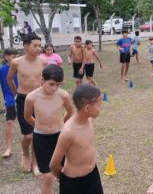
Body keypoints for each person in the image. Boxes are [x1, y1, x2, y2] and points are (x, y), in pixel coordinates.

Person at [24, 65, 73, 194]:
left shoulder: (63, 95)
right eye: (51, 84)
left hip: (60, 136)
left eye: (58, 84)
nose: (54, 88)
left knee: (64, 172)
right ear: (42, 80)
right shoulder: (31, 97)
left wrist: (61, 123)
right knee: (47, 176)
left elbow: (70, 111)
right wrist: (38, 125)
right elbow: (27, 116)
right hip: (41, 138)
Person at [50, 84, 104, 194]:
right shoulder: (68, 132)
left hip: (93, 175)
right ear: (87, 108)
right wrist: (65, 180)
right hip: (73, 183)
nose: (101, 107)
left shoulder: (89, 120)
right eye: (99, 105)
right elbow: (54, 164)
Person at [7, 32, 47, 174]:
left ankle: (35, 164)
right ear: (26, 46)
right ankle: (25, 152)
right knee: (28, 136)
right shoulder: (16, 62)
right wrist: (16, 94)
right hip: (23, 99)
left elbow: (45, 81)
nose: (38, 49)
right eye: (35, 46)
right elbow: (10, 78)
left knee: (37, 133)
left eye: (40, 46)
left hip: (39, 99)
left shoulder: (43, 62)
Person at [0, 47, 18, 158]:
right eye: (13, 57)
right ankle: (9, 148)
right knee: (9, 123)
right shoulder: (2, 70)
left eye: (16, 57)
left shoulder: (21, 68)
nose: (15, 59)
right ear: (6, 57)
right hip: (10, 99)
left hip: (24, 98)